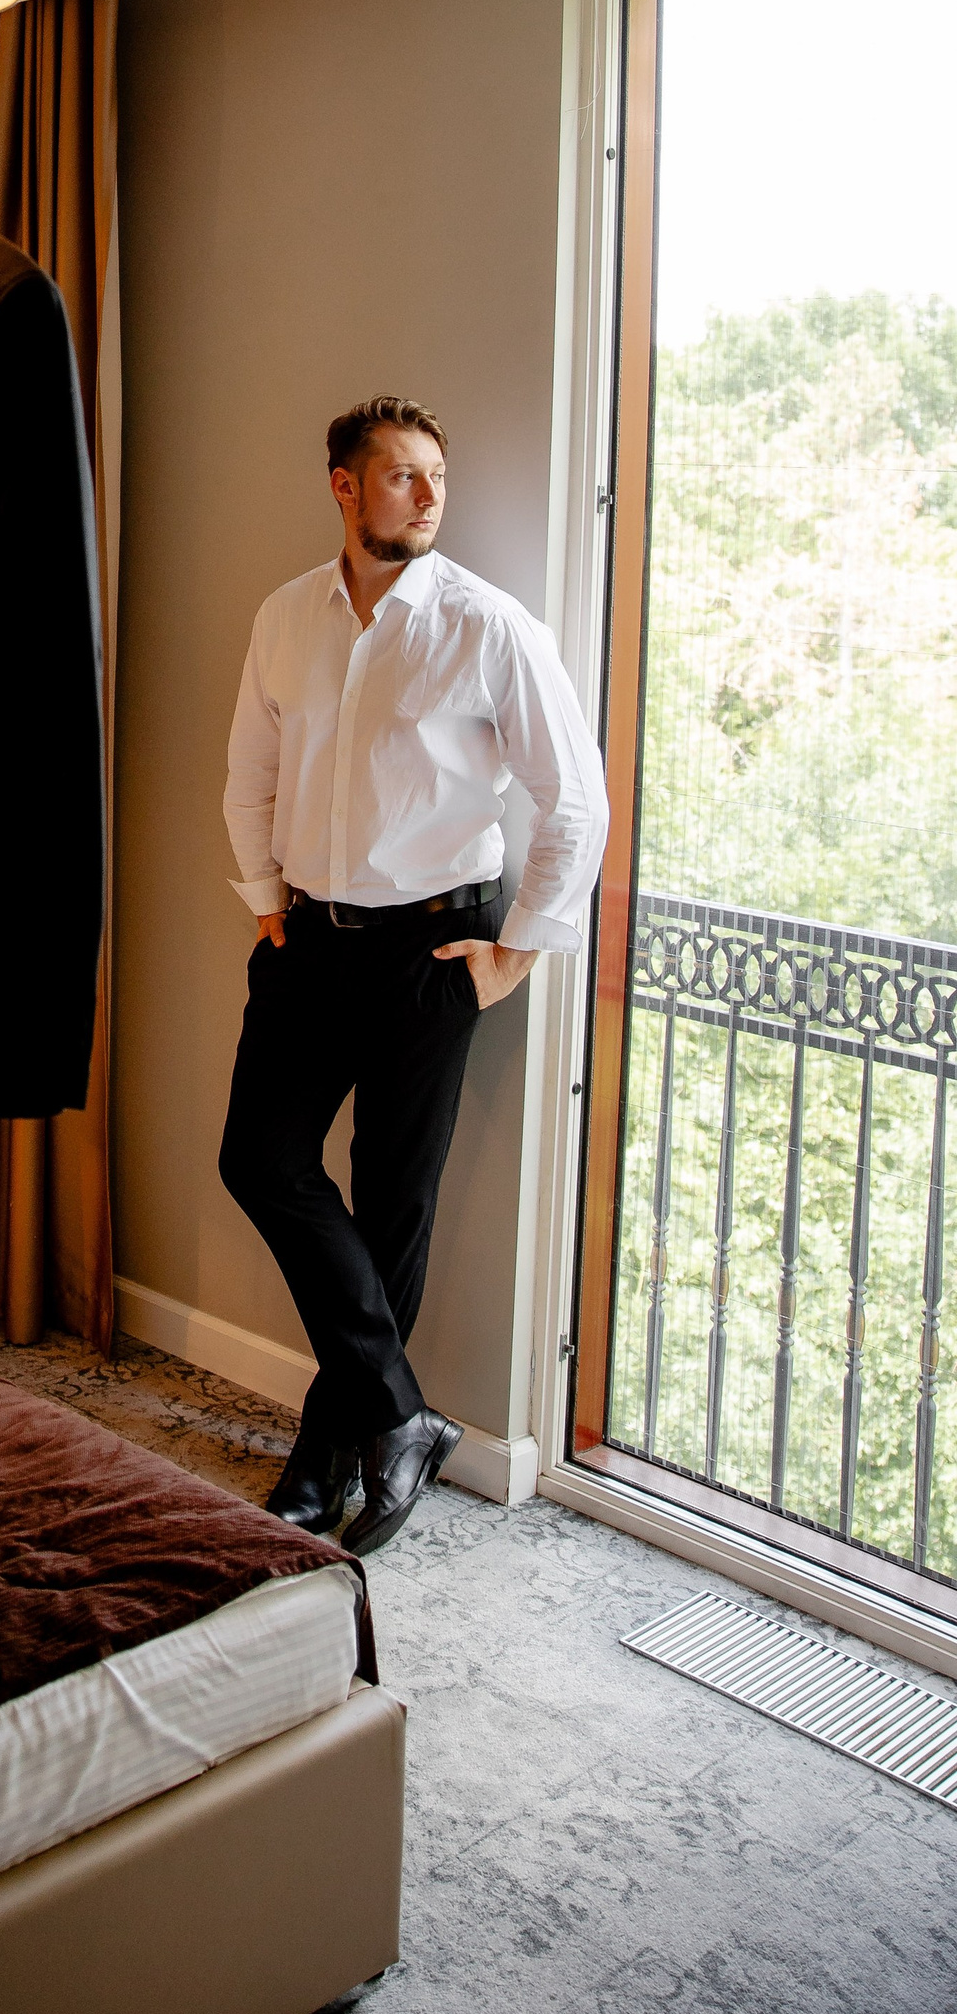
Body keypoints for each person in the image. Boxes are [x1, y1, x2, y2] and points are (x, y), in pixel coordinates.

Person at [219, 396, 608, 1555]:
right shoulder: (287, 616)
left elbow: (575, 800)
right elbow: (251, 769)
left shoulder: (489, 626)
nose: (431, 495)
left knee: (395, 1198)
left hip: (432, 949)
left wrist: (516, 953)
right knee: (259, 1160)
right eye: (403, 474)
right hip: (307, 938)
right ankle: (399, 1416)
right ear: (344, 485)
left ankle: (326, 1453)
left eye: (439, 474)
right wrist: (265, 896)